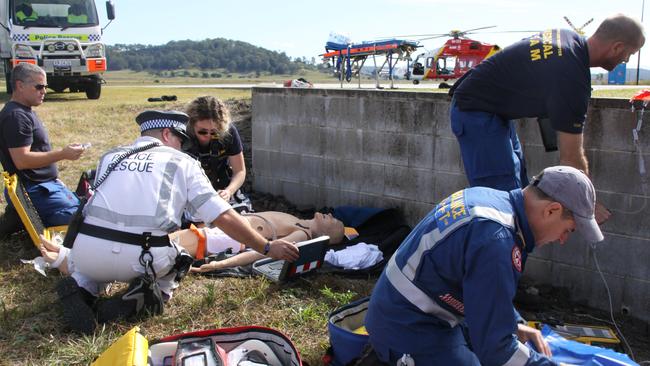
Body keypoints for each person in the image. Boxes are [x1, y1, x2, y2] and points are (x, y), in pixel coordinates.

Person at [55, 110, 299, 334]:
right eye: (181, 140)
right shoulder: (182, 162)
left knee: (93, 267)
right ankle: (147, 296)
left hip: (87, 255)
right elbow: (221, 215)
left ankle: (83, 288)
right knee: (180, 256)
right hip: (140, 260)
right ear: (166, 134)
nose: (182, 147)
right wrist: (266, 247)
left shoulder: (111, 157)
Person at [364, 166, 603, 365]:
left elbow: (483, 293)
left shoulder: (490, 201)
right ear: (552, 210)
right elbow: (497, 349)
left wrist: (514, 324)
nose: (562, 240)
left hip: (404, 311)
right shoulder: (496, 241)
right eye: (568, 230)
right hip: (408, 327)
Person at [449, 13, 645, 223]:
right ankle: (497, 251)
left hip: (495, 111)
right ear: (616, 47)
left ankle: (512, 246)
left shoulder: (567, 38)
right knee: (499, 204)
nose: (626, 60)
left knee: (518, 192)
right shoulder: (572, 78)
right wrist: (588, 205)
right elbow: (571, 159)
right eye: (629, 54)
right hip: (476, 112)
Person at [40, 211, 345, 275]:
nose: (330, 214)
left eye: (334, 221)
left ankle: (73, 262)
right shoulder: (299, 219)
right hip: (217, 229)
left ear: (328, 234)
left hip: (219, 239)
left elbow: (257, 254)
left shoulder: (304, 234)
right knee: (151, 242)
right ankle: (79, 260)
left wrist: (218, 265)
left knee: (152, 246)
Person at [0, 63, 86, 236]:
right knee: (85, 217)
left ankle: (19, 218)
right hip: (33, 190)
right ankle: (22, 217)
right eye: (39, 86)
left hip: (44, 186)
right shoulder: (16, 116)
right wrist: (63, 154)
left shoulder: (24, 111)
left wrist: (53, 177)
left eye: (45, 86)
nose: (44, 91)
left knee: (87, 207)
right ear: (19, 85)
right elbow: (22, 160)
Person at [183, 96, 252, 213]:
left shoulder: (229, 132)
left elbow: (239, 171)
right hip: (188, 189)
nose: (208, 136)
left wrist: (229, 191)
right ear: (192, 125)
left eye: (214, 132)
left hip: (221, 186)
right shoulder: (181, 135)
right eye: (202, 131)